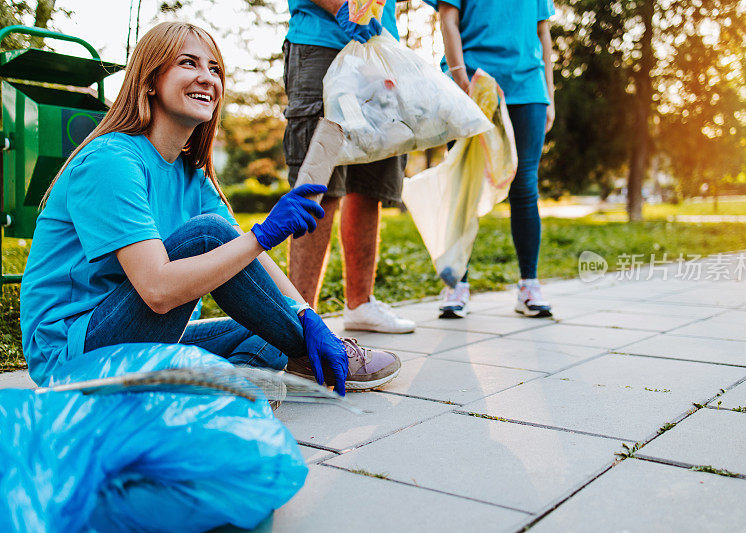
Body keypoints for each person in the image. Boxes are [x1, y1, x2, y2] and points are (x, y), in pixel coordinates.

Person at [19, 22, 401, 395]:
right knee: (209, 235)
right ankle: (297, 365)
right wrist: (261, 236)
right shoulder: (112, 161)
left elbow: (251, 262)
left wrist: (305, 314)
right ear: (150, 81)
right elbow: (157, 289)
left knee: (266, 327)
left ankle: (229, 386)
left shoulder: (191, 176)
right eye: (188, 63)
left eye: (214, 69)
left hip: (144, 338)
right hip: (74, 358)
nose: (207, 78)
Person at [283, 0, 416, 334]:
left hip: (378, 50)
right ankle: (299, 317)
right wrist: (340, 5)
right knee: (319, 181)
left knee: (371, 181)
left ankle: (361, 303)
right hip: (320, 44)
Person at [424, 0, 556, 319]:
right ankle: (456, 285)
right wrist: (458, 76)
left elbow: (543, 32)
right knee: (462, 185)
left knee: (524, 184)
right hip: (470, 82)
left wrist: (549, 94)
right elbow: (448, 18)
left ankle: (529, 285)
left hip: (526, 89)